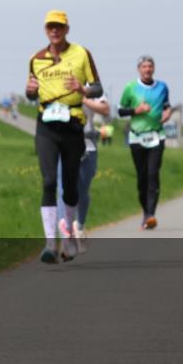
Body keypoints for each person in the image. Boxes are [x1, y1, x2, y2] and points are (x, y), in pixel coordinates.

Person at [25, 10, 103, 263]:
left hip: (72, 125)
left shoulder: (81, 53)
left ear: (67, 29)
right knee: (48, 182)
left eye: (59, 27)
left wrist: (82, 89)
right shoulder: (36, 59)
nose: (55, 31)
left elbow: (98, 87)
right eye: (50, 27)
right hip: (46, 126)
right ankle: (49, 243)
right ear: (45, 29)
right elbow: (31, 93)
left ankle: (68, 236)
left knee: (70, 186)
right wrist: (29, 91)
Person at [117, 55, 172, 230]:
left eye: (150, 66)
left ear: (154, 68)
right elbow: (120, 111)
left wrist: (168, 113)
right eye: (144, 66)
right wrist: (136, 110)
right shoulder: (130, 87)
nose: (147, 69)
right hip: (136, 137)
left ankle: (151, 214)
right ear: (139, 69)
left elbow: (166, 106)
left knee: (153, 174)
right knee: (142, 179)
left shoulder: (162, 87)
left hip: (157, 136)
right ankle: (145, 213)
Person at [56, 94, 110, 253]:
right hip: (63, 140)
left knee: (81, 191)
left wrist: (84, 98)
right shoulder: (57, 80)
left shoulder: (92, 85)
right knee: (63, 189)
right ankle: (66, 234)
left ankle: (79, 226)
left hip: (87, 143)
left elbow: (105, 109)